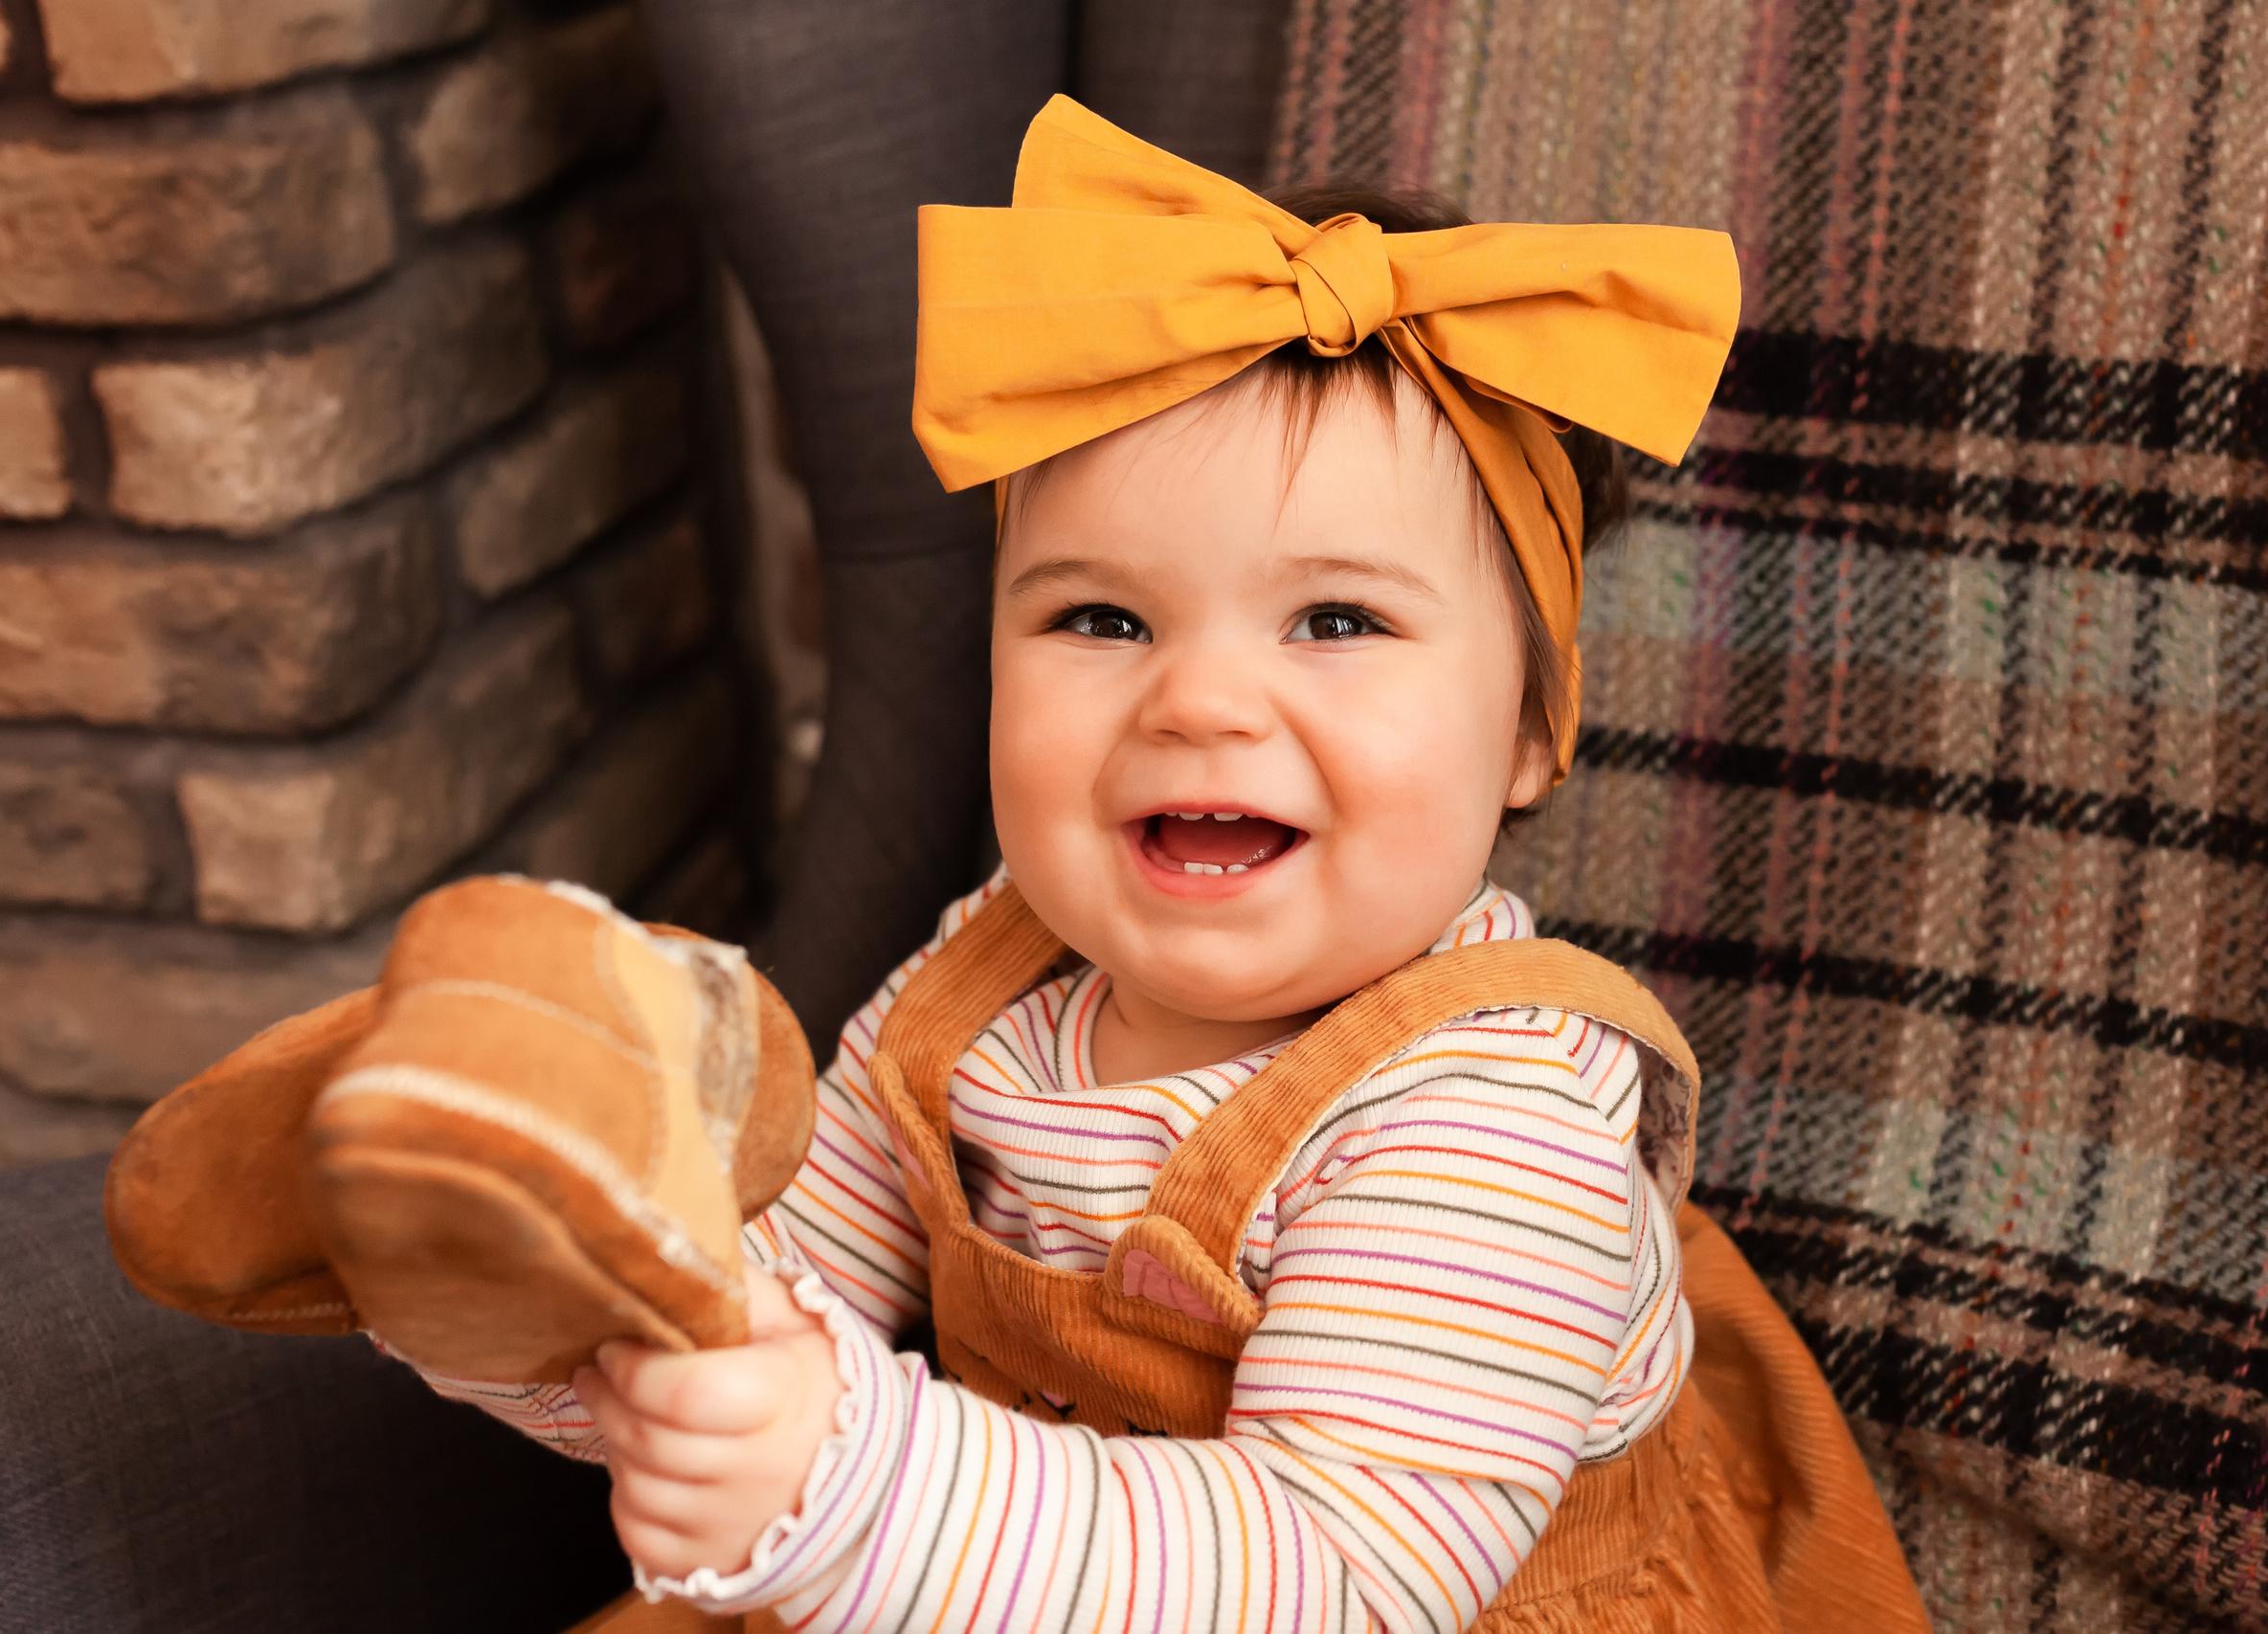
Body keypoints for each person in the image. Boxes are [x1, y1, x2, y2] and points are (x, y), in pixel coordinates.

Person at [390, 99, 1928, 1632]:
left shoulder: (1499, 1120)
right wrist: (540, 1286)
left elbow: (1341, 1576)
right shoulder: (981, 987)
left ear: (1531, 729)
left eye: (1337, 621)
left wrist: (850, 1483)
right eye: (1102, 619)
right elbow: (764, 1299)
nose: (1197, 702)